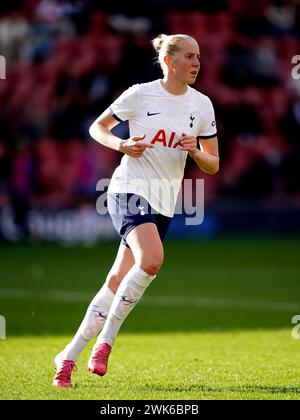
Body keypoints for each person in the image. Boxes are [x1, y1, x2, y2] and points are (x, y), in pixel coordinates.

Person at [53, 33, 219, 388]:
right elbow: (98, 127)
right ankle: (105, 343)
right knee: (152, 260)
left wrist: (195, 152)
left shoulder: (202, 105)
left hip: (163, 200)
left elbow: (213, 164)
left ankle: (67, 357)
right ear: (169, 61)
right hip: (128, 189)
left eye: (199, 57)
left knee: (116, 280)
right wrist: (122, 144)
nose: (196, 63)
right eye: (189, 56)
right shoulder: (140, 93)